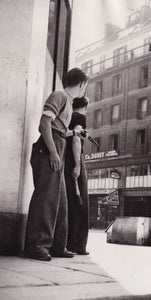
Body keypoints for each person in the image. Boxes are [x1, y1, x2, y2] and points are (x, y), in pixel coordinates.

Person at [24, 68, 88, 261]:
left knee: (60, 201)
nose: (85, 89)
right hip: (48, 150)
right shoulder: (59, 95)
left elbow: (58, 129)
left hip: (57, 146)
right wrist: (53, 152)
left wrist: (74, 133)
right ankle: (37, 246)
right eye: (86, 86)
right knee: (46, 199)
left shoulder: (67, 101)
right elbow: (44, 124)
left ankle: (58, 246)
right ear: (82, 84)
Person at [64, 96, 90, 255]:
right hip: (74, 160)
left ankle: (65, 242)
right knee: (80, 203)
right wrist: (78, 165)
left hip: (64, 160)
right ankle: (77, 245)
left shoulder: (67, 116)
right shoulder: (80, 117)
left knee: (68, 201)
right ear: (85, 106)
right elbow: (76, 140)